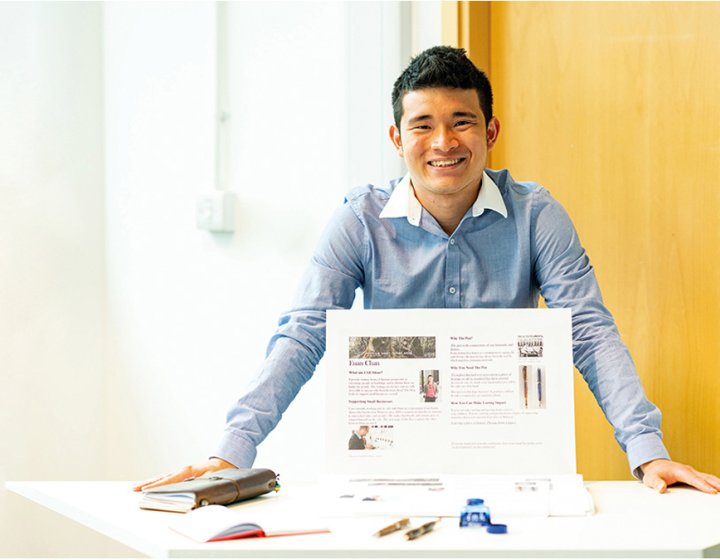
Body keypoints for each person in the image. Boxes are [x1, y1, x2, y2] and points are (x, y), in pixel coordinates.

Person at [135, 46, 719, 495]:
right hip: (389, 466)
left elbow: (588, 331)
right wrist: (232, 453)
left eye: (462, 121)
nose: (443, 141)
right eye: (422, 125)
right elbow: (303, 333)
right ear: (397, 138)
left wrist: (646, 449)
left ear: (490, 132)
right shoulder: (359, 220)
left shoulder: (538, 215)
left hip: (511, 463)